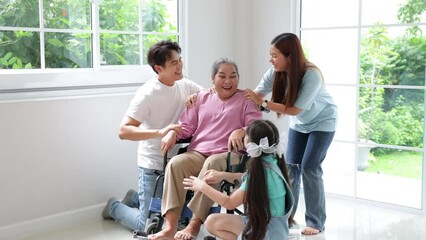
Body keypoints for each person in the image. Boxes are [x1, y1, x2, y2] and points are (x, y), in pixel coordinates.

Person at [147, 57, 262, 240]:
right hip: (198, 152)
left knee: (213, 162)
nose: (228, 81)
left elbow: (258, 127)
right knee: (176, 163)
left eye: (233, 76)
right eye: (222, 76)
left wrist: (242, 130)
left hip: (228, 155)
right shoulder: (201, 98)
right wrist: (173, 133)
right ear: (212, 78)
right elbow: (186, 126)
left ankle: (194, 224)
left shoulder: (245, 100)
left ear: (238, 79)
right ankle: (170, 227)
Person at [101, 40, 203, 233]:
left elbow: (210, 96)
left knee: (178, 218)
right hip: (152, 165)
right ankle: (114, 206)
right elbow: (123, 131)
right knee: (147, 227)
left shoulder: (185, 84)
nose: (180, 66)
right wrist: (160, 132)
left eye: (180, 60)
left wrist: (198, 97)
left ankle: (135, 198)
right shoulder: (147, 93)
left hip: (176, 164)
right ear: (158, 68)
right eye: (174, 63)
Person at [244, 32, 338, 235]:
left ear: (290, 57)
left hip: (323, 121)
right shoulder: (274, 72)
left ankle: (315, 221)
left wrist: (264, 103)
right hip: (300, 124)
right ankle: (287, 217)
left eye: (275, 55)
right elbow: (256, 95)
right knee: (290, 167)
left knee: (310, 167)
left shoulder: (311, 74)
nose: (271, 60)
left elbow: (294, 109)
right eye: (270, 54)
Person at [183, 119, 294, 240]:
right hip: (278, 230)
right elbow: (246, 177)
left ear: (251, 143)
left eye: (246, 136)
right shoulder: (272, 161)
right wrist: (223, 175)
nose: (244, 138)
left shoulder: (261, 170)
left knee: (212, 221)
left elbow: (229, 203)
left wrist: (201, 186)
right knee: (214, 222)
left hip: (267, 231)